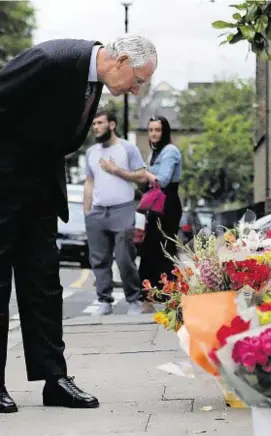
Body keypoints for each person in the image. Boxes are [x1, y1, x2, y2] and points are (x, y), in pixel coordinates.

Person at [0, 35, 157, 413]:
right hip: (4, 186)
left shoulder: (92, 80)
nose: (136, 91)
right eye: (137, 80)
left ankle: (54, 380)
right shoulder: (51, 59)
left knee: (45, 286)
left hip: (38, 193)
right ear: (119, 60)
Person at [84, 111, 147, 315]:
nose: (95, 127)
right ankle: (104, 301)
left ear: (112, 125)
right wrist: (87, 210)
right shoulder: (91, 152)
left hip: (123, 210)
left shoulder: (128, 148)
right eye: (93, 123)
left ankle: (133, 300)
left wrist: (116, 171)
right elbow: (90, 181)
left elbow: (142, 176)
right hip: (98, 213)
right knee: (99, 260)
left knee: (124, 258)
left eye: (100, 123)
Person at [138, 116, 182, 292]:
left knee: (165, 250)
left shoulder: (170, 151)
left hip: (168, 205)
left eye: (157, 130)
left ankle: (166, 294)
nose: (153, 134)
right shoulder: (154, 153)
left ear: (165, 132)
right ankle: (152, 293)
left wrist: (144, 173)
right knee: (150, 249)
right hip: (157, 206)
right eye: (151, 130)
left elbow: (162, 181)